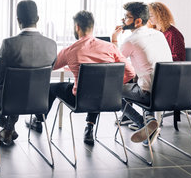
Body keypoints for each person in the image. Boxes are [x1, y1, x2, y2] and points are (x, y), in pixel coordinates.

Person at [28, 11, 135, 145]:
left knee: (52, 87)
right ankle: (89, 127)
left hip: (79, 100)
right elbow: (131, 73)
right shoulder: (110, 47)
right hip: (107, 98)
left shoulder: (70, 50)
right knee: (97, 87)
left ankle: (38, 121)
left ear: (77, 27)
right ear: (92, 27)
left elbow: (50, 67)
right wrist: (112, 87)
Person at [0, 0, 57, 146]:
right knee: (17, 90)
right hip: (39, 101)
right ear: (38, 19)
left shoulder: (9, 44)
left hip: (11, 100)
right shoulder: (51, 44)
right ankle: (8, 129)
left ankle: (8, 127)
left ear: (18, 21)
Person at [112, 1, 172, 146]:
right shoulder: (159, 34)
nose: (123, 20)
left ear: (138, 21)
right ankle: (150, 121)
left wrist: (114, 38)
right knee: (142, 81)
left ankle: (141, 123)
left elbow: (114, 63)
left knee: (111, 91)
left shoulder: (131, 40)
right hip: (170, 92)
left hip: (148, 94)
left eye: (126, 17)